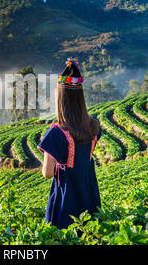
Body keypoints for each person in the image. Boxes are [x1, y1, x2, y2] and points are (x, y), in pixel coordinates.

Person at [37, 57, 102, 230]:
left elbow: (48, 173)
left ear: (61, 99)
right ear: (80, 97)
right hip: (89, 193)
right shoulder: (93, 125)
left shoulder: (56, 132)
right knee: (90, 232)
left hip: (67, 198)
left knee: (65, 234)